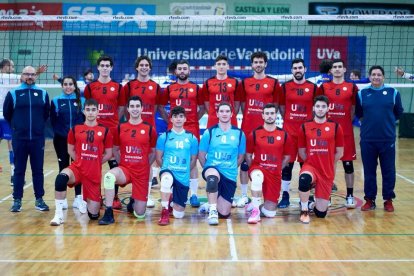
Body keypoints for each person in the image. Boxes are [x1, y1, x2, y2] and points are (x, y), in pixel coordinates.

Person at [50, 99, 113, 226]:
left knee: (94, 216)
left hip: (93, 173)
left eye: (93, 110)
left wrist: (95, 162)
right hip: (78, 168)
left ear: (98, 112)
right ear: (84, 111)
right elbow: (70, 149)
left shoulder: (105, 131)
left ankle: (88, 200)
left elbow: (109, 153)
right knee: (61, 178)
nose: (90, 113)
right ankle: (58, 215)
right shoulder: (75, 129)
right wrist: (80, 161)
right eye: (88, 110)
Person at [98, 96, 156, 225]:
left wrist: (145, 166)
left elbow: (153, 152)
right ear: (128, 109)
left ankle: (134, 200)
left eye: (137, 106)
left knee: (139, 215)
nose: (135, 109)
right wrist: (122, 164)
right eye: (132, 106)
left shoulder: (149, 129)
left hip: (141, 172)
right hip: (125, 169)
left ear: (142, 108)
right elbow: (115, 149)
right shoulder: (120, 127)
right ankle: (108, 212)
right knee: (109, 176)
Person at [356, 65, 404, 212]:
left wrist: (386, 123)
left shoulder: (393, 92)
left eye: (379, 75)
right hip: (368, 140)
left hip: (387, 140)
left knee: (388, 171)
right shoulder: (362, 93)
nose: (376, 77)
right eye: (373, 74)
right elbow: (359, 113)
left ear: (384, 77)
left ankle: (388, 199)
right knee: (369, 171)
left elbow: (398, 113)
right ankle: (370, 200)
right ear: (369, 77)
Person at [3, 66, 50, 212]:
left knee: (38, 170)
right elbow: (7, 113)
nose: (29, 76)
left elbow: (46, 114)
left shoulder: (42, 93)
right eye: (26, 74)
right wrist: (18, 127)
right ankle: (17, 200)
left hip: (37, 139)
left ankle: (39, 200)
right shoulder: (13, 93)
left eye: (32, 74)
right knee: (19, 171)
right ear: (22, 76)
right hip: (20, 139)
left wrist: (37, 128)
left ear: (36, 76)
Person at [236, 51, 280, 208]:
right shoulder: (244, 83)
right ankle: (243, 195)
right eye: (256, 62)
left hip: (266, 129)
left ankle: (264, 193)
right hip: (248, 127)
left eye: (261, 62)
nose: (258, 64)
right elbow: (241, 104)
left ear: (266, 64)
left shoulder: (274, 83)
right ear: (252, 64)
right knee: (245, 162)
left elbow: (274, 106)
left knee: (267, 161)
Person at [159, 59, 205, 208]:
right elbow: (160, 106)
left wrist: (191, 120)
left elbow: (203, 107)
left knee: (192, 161)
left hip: (192, 128)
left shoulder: (196, 88)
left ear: (189, 71)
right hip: (173, 128)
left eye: (185, 68)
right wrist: (170, 121)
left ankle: (193, 195)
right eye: (180, 69)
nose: (183, 71)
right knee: (171, 159)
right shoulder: (169, 88)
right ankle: (173, 191)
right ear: (176, 71)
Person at [121, 55, 162, 208]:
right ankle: (134, 193)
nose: (144, 67)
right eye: (141, 65)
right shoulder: (129, 86)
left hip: (149, 130)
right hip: (132, 130)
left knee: (148, 163)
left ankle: (147, 194)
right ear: (137, 67)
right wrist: (130, 122)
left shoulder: (155, 86)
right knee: (132, 161)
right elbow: (125, 106)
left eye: (147, 65)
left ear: (150, 68)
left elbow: (157, 107)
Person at [84, 55, 124, 210]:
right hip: (95, 131)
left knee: (114, 164)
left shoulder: (118, 86)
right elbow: (87, 107)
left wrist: (113, 121)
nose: (105, 68)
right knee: (94, 164)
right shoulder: (90, 87)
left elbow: (121, 107)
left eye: (108, 65)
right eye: (102, 65)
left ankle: (113, 197)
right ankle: (94, 196)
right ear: (98, 67)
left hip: (113, 130)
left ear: (111, 68)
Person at [317, 59, 359, 207]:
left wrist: (345, 123)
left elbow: (353, 109)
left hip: (345, 132)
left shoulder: (351, 87)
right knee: (328, 165)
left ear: (344, 69)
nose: (337, 69)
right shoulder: (324, 87)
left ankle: (349, 195)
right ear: (331, 71)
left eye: (340, 66)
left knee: (348, 165)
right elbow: (319, 107)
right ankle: (326, 194)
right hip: (328, 133)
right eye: (334, 67)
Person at [297, 95, 344, 224]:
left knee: (321, 214)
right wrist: (312, 161)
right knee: (304, 179)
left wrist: (327, 162)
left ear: (328, 108)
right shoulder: (305, 126)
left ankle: (311, 204)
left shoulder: (335, 127)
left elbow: (340, 152)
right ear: (313, 108)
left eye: (323, 106)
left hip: (326, 170)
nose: (320, 109)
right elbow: (301, 151)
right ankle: (304, 210)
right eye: (318, 106)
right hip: (310, 167)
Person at [0, 58, 47, 185]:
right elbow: (27, 76)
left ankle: (12, 174)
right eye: (11, 66)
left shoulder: (13, 78)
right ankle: (13, 174)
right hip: (4, 116)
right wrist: (38, 71)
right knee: (11, 144)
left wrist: (37, 72)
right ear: (5, 67)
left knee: (11, 144)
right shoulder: (7, 76)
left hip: (6, 116)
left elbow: (27, 77)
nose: (13, 69)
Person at [278, 58, 317, 208]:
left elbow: (317, 108)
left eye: (300, 68)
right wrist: (289, 121)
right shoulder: (285, 87)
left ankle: (308, 197)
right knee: (287, 166)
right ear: (292, 70)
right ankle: (285, 196)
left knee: (306, 166)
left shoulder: (313, 88)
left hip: (306, 135)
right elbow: (282, 108)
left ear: (305, 69)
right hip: (289, 134)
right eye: (295, 68)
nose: (297, 70)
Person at [198, 102, 246, 225]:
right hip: (213, 168)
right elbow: (202, 155)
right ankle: (212, 211)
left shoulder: (239, 134)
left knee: (224, 213)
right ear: (217, 114)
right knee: (213, 178)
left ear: (231, 114)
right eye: (222, 111)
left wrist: (231, 167)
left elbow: (241, 156)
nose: (224, 114)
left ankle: (210, 204)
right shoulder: (210, 132)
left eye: (227, 111)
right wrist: (207, 170)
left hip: (229, 173)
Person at [244, 103, 290, 224]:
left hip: (274, 172)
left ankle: (254, 205)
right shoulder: (254, 134)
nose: (270, 116)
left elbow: (287, 157)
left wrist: (279, 168)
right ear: (263, 115)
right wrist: (252, 169)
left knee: (270, 213)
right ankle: (255, 212)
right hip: (258, 167)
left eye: (272, 113)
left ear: (276, 115)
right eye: (267, 114)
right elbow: (248, 155)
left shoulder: (284, 135)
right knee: (257, 178)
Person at [155, 106, 198, 225]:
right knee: (166, 179)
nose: (178, 119)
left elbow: (194, 159)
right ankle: (164, 210)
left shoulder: (192, 138)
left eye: (181, 116)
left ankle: (171, 198)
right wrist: (165, 169)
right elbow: (158, 157)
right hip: (169, 170)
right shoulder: (164, 137)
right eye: (175, 116)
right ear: (171, 119)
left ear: (185, 119)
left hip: (183, 175)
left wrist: (185, 171)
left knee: (178, 215)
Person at [50, 76, 86, 211]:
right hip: (61, 140)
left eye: (71, 84)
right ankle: (63, 199)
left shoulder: (81, 101)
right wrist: (62, 134)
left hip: (78, 140)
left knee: (79, 167)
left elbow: (84, 120)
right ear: (62, 86)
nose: (68, 86)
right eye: (65, 84)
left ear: (74, 86)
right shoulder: (56, 101)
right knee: (63, 167)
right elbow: (53, 121)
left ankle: (78, 198)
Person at [202, 55, 240, 128]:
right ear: (215, 66)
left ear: (228, 66)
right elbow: (207, 104)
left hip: (230, 120)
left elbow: (237, 104)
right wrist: (213, 114)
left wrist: (230, 114)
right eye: (219, 64)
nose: (221, 66)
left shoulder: (235, 82)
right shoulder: (208, 82)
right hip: (213, 120)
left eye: (224, 64)